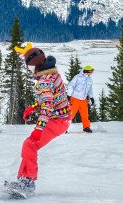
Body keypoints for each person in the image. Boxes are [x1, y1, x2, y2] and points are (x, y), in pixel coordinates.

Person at [5, 43, 70, 196]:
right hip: (62, 117)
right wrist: (33, 107)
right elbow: (51, 97)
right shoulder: (52, 73)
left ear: (35, 65)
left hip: (57, 120)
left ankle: (28, 183)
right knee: (29, 146)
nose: (29, 70)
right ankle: (24, 180)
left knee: (30, 145)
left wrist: (39, 129)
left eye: (29, 66)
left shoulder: (44, 81)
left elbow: (47, 106)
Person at [67, 65, 95, 133]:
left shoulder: (89, 79)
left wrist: (91, 97)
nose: (92, 73)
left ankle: (86, 127)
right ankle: (63, 128)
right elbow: (71, 86)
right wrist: (69, 95)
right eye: (91, 71)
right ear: (87, 71)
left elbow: (90, 89)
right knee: (71, 114)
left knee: (85, 115)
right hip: (75, 99)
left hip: (83, 100)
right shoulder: (78, 77)